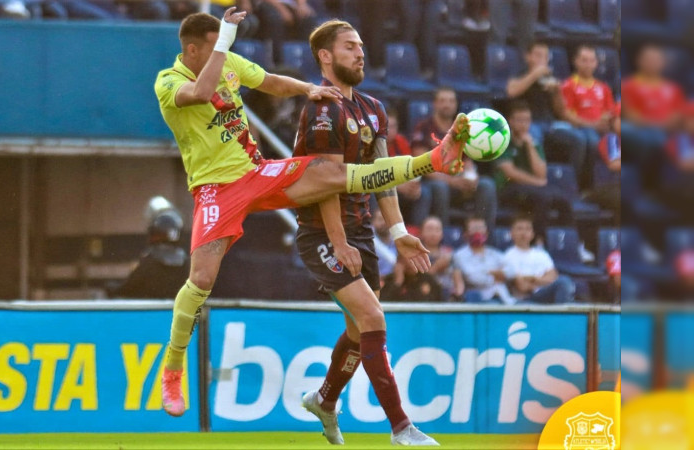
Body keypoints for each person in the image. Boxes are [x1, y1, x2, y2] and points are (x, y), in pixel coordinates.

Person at [154, 10, 469, 419]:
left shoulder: (227, 61)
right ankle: (173, 367)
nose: (225, 53)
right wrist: (224, 42)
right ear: (192, 49)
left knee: (333, 176)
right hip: (215, 188)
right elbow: (201, 92)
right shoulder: (168, 81)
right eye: (215, 47)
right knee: (201, 279)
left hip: (256, 172)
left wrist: (307, 89)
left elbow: (268, 82)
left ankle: (433, 159)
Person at [293, 20, 441, 446]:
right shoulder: (323, 107)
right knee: (373, 317)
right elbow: (325, 181)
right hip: (321, 231)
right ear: (326, 56)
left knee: (360, 331)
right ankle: (401, 427)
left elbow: (381, 177)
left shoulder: (374, 109)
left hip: (360, 231)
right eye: (349, 47)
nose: (361, 53)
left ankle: (324, 400)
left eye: (361, 46)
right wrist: (338, 241)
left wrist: (396, 232)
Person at [411, 86, 497, 229]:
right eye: (443, 100)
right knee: (440, 188)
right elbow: (422, 166)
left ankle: (481, 236)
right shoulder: (424, 127)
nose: (447, 104)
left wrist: (471, 178)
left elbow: (468, 160)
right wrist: (453, 181)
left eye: (451, 101)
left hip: (458, 179)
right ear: (435, 104)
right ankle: (442, 238)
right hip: (434, 181)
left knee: (486, 185)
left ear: (456, 104)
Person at [496, 101, 574, 243]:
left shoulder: (533, 142)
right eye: (519, 120)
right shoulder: (502, 141)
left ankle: (570, 242)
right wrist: (538, 183)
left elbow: (541, 173)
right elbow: (510, 173)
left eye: (527, 120)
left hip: (531, 188)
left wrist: (530, 146)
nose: (524, 124)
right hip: (507, 188)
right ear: (510, 121)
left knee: (563, 199)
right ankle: (539, 241)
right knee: (542, 197)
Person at [506, 41, 585, 174]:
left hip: (550, 123)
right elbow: (511, 91)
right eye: (538, 55)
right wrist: (535, 74)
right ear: (528, 57)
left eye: (545, 56)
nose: (542, 60)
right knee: (535, 137)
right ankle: (538, 179)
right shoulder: (520, 75)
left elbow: (560, 111)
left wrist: (557, 91)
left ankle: (571, 181)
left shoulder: (550, 79)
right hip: (529, 123)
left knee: (579, 139)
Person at [107, 197, 189, 299]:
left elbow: (128, 288)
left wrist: (110, 287)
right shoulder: (186, 262)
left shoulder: (150, 260)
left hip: (151, 313)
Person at [561, 45, 616, 189]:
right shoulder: (569, 85)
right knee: (592, 141)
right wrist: (593, 124)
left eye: (592, 60)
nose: (588, 64)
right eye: (584, 60)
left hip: (602, 128)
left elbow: (611, 111)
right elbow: (567, 115)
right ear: (575, 62)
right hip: (580, 128)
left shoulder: (603, 87)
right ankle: (583, 185)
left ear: (596, 63)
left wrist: (607, 120)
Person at [502, 215, 576, 303]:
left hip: (545, 293)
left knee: (564, 281)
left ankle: (563, 315)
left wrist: (533, 279)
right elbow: (522, 287)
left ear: (532, 234)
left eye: (527, 229)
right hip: (525, 299)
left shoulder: (541, 254)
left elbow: (553, 276)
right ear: (511, 233)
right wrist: (543, 280)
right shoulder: (508, 256)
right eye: (519, 229)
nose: (524, 233)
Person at [452, 216, 513, 304]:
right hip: (480, 299)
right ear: (465, 234)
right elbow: (474, 278)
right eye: (474, 228)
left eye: (481, 228)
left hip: (504, 298)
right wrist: (496, 274)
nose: (478, 232)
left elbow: (512, 272)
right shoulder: (459, 255)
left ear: (487, 233)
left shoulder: (494, 253)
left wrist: (493, 273)